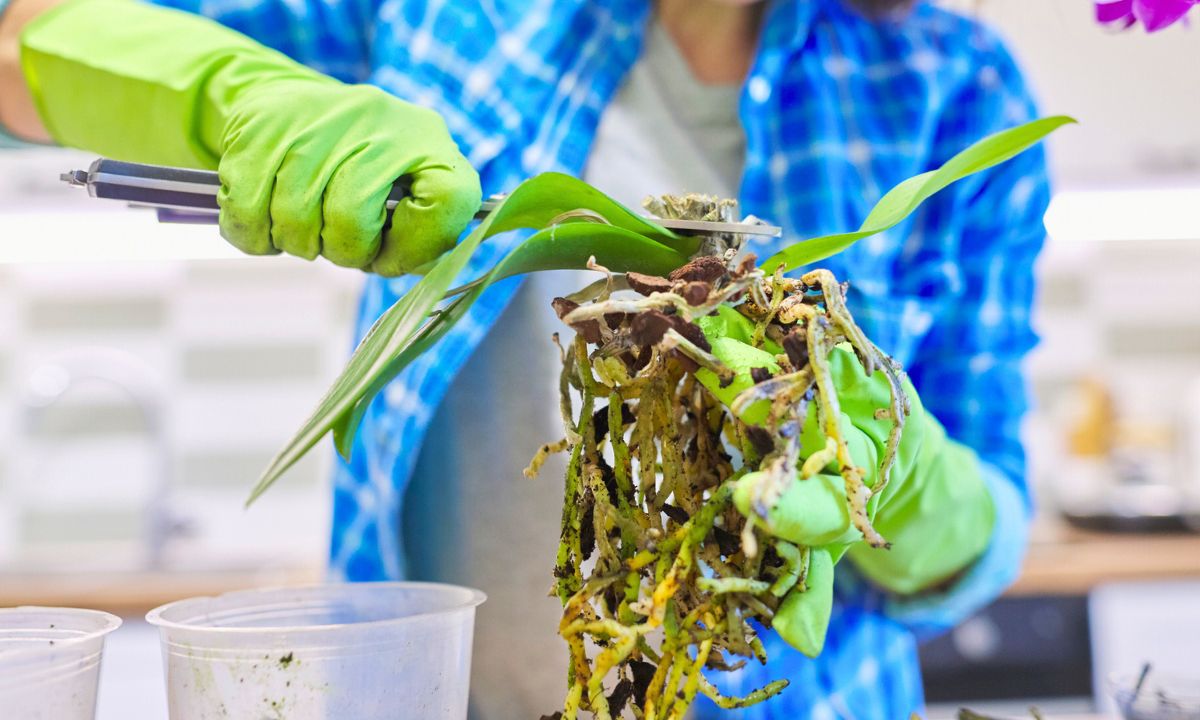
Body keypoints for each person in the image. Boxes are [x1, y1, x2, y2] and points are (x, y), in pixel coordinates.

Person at [0, 0, 1050, 717]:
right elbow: (22, 43)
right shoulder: (460, 16)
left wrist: (907, 482)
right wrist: (231, 93)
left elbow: (989, 529)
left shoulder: (953, 90)